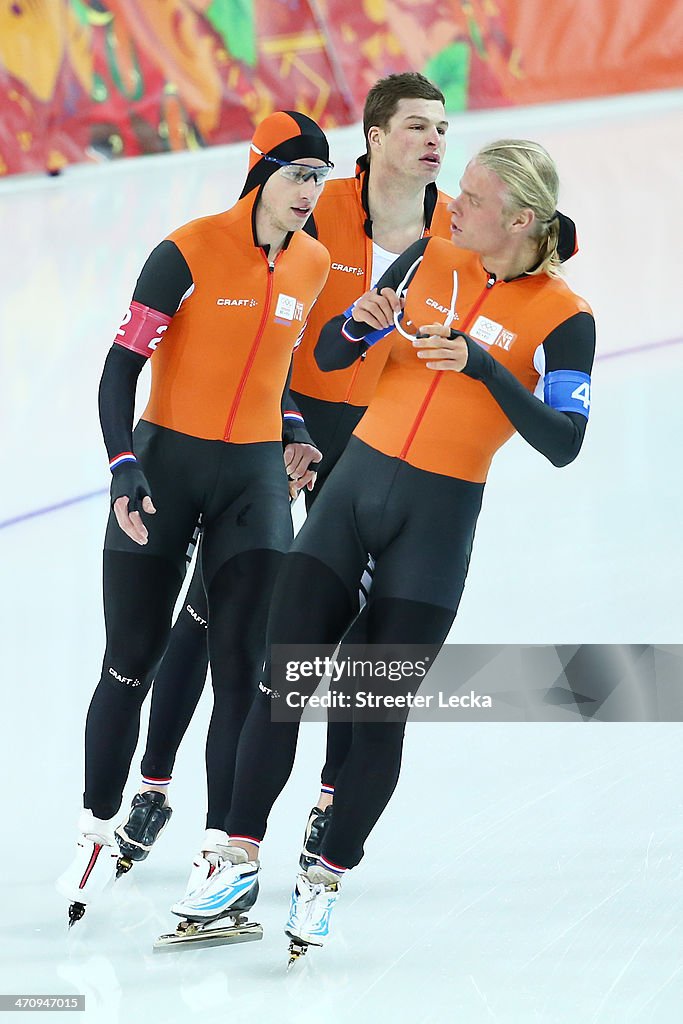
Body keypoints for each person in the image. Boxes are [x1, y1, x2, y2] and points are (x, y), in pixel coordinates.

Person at [171, 138, 596, 957]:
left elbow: (565, 442)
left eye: (468, 198)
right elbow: (329, 352)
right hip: (349, 502)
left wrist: (486, 368)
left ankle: (325, 877)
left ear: (515, 219)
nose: (451, 206)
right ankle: (236, 855)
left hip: (431, 535)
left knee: (372, 716)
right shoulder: (425, 258)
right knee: (281, 679)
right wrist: (355, 324)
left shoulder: (563, 316)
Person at [115, 73, 456, 884]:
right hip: (287, 427)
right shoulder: (317, 204)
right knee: (216, 612)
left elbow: (528, 244)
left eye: (442, 128)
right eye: (415, 127)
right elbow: (263, 319)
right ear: (375, 138)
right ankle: (155, 785)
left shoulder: (456, 227)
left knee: (355, 631)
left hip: (386, 445)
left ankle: (332, 797)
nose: (434, 141)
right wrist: (285, 423)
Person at [56, 110, 334, 923]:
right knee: (130, 660)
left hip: (252, 479)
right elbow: (119, 370)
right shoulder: (183, 251)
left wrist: (295, 428)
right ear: (259, 172)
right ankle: (97, 824)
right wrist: (122, 467)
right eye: (296, 176)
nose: (308, 195)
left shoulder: (313, 264)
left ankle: (223, 851)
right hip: (165, 470)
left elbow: (273, 369)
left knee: (244, 670)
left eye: (318, 180)